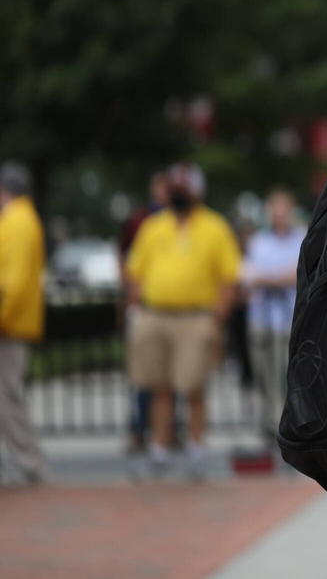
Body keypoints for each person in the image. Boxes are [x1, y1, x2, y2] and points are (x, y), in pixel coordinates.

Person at [125, 163, 240, 479]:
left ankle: (195, 449)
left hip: (196, 317)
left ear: (195, 193)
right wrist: (134, 311)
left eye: (182, 190)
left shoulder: (215, 227)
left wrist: (218, 318)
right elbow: (135, 271)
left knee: (192, 386)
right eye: (173, 189)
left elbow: (229, 277)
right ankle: (160, 450)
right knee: (158, 386)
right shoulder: (153, 226)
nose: (176, 194)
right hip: (155, 314)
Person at [241, 188, 305, 444]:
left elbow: (298, 272)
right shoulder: (258, 241)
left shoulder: (301, 238)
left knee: (287, 374)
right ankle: (269, 424)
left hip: (288, 320)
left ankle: (289, 425)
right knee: (263, 374)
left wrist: (270, 278)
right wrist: (277, 278)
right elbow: (249, 276)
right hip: (261, 319)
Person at [0, 162, 49, 486]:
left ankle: (31, 464)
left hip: (9, 324)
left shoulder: (17, 222)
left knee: (8, 396)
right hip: (13, 321)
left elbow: (12, 282)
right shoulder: (22, 219)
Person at [117, 170, 169, 456]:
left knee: (171, 376)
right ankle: (140, 428)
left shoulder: (177, 221)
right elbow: (125, 257)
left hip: (169, 308)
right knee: (143, 373)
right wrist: (130, 299)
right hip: (146, 306)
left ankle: (169, 430)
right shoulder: (141, 220)